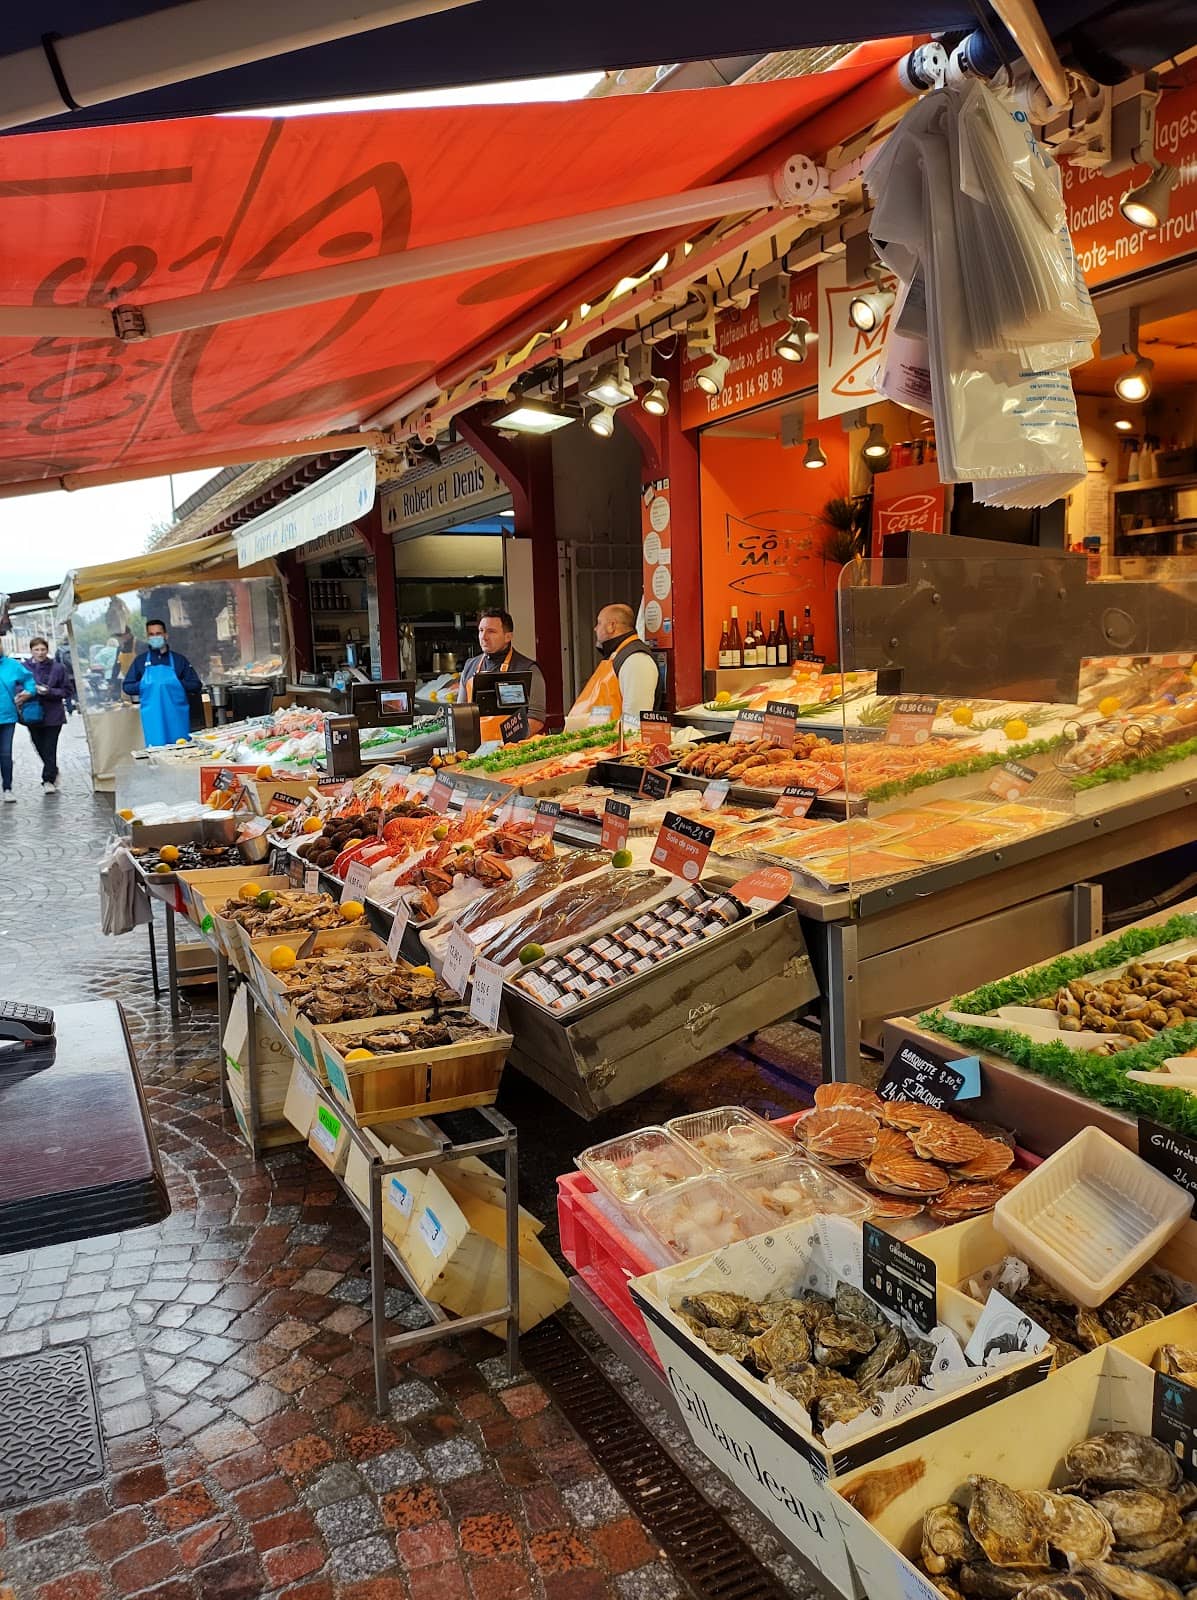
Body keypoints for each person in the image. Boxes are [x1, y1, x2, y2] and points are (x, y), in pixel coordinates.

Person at [457, 608, 546, 740]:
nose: (484, 637)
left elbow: (536, 718)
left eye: (491, 632)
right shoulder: (470, 666)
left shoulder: (528, 669)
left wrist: (505, 744)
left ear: (508, 636)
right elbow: (460, 715)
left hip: (512, 751)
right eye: (481, 630)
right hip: (476, 751)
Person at [567, 603, 661, 726]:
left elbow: (635, 719)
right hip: (599, 740)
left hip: (618, 743)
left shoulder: (636, 659)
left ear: (611, 626)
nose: (595, 628)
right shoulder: (618, 655)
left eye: (599, 623)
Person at [123, 619, 202, 747]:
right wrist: (145, 684)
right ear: (147, 637)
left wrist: (175, 683)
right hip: (153, 719)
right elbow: (127, 686)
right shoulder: (140, 661)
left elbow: (196, 685)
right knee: (156, 752)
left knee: (181, 751)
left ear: (166, 635)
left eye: (158, 633)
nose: (155, 637)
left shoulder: (179, 660)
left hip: (177, 718)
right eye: (151, 634)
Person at [24, 637, 71, 791]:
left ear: (47, 650)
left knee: (50, 747)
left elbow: (67, 690)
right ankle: (53, 769)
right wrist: (26, 693)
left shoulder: (58, 668)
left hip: (53, 714)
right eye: (36, 650)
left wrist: (49, 691)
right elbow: (17, 686)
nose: (40, 653)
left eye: (43, 649)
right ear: (31, 651)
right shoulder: (24, 667)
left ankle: (48, 780)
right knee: (39, 745)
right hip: (32, 713)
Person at [0, 645, 37, 803]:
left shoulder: (12, 665)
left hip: (7, 717)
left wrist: (28, 692)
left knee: (5, 754)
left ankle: (7, 788)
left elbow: (29, 681)